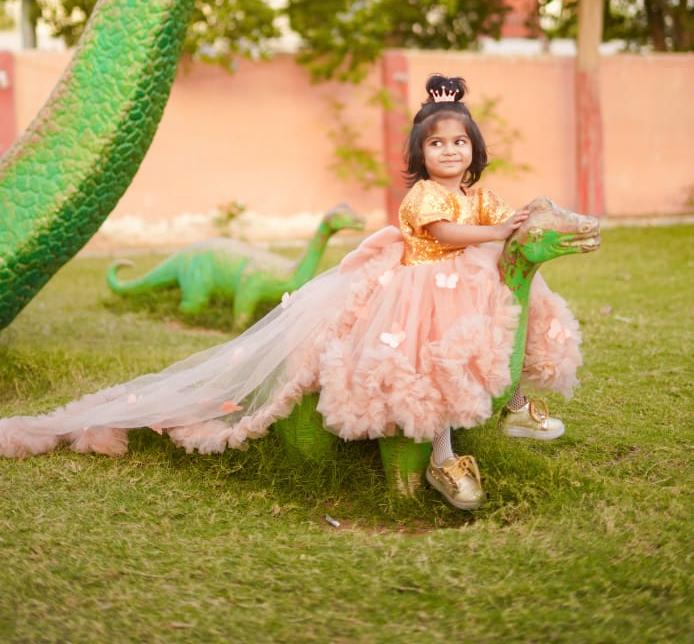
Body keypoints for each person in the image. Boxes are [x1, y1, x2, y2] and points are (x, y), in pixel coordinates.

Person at [0, 74, 581, 512]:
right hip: (418, 294)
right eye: (437, 145)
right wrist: (496, 231)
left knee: (517, 305)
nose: (450, 151)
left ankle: (516, 405)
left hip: (468, 285)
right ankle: (442, 456)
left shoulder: (483, 198)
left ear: (475, 150)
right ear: (420, 156)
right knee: (430, 365)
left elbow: (505, 223)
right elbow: (448, 235)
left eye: (460, 142)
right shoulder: (425, 198)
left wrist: (522, 219)